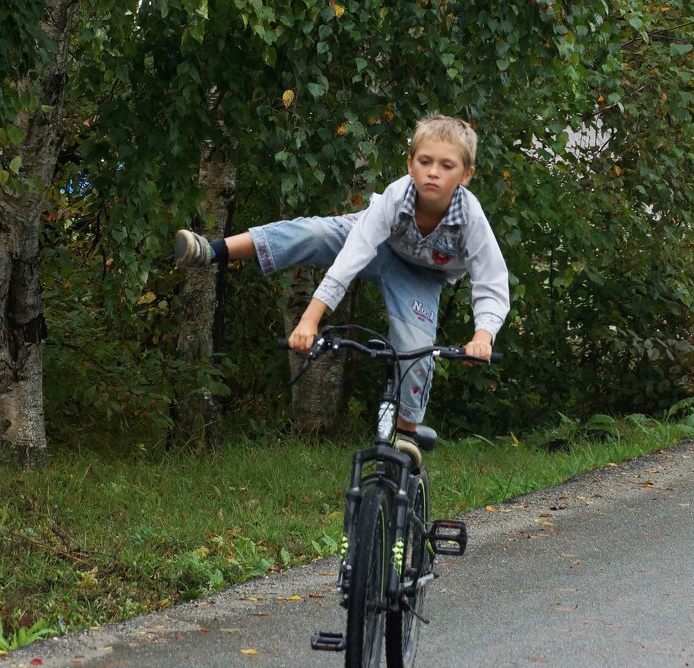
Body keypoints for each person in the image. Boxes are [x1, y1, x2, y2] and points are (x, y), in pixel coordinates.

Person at [174, 113, 509, 461]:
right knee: (313, 233)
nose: (434, 172)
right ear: (410, 164)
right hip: (374, 243)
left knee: (415, 349)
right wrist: (310, 319)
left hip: (420, 277)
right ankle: (211, 251)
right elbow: (353, 255)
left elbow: (491, 280)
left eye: (446, 165)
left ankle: (407, 433)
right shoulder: (397, 197)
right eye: (425, 161)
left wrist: (482, 337)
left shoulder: (470, 218)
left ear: (466, 175)